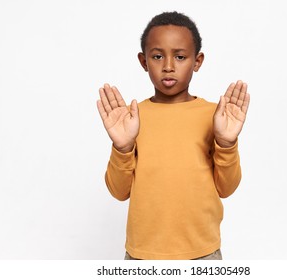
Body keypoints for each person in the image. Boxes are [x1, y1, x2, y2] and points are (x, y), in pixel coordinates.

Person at [97, 11, 250, 260]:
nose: (168, 66)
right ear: (144, 61)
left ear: (197, 61)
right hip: (142, 255)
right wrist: (122, 147)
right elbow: (119, 191)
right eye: (157, 56)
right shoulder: (131, 118)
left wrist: (226, 143)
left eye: (180, 56)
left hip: (202, 253)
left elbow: (226, 188)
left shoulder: (216, 116)